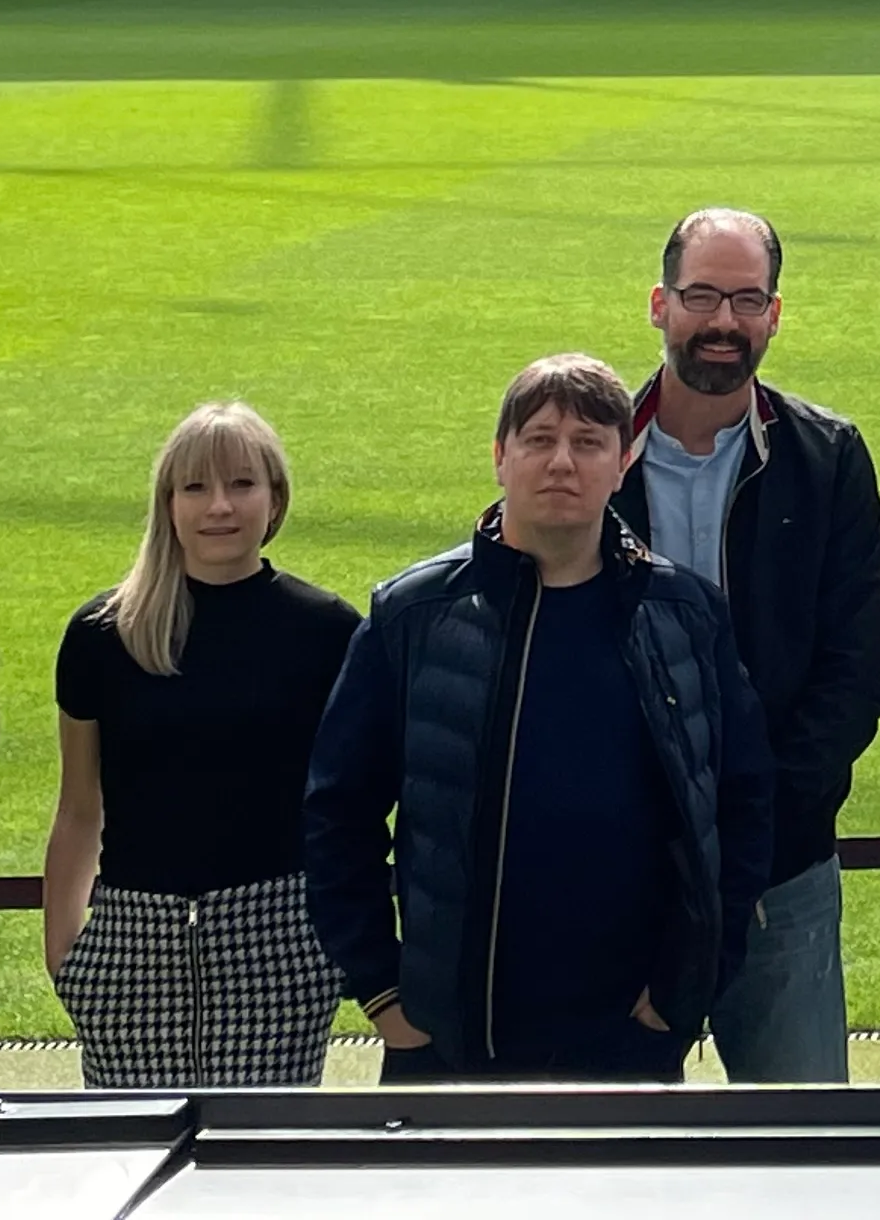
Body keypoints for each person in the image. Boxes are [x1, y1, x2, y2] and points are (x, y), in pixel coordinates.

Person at [301, 355, 772, 1082]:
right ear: (500, 457)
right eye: (539, 439)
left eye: (588, 442)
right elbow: (337, 817)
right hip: (449, 1044)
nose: (562, 462)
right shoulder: (413, 615)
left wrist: (679, 996)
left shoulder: (684, 616)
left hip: (628, 1039)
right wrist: (388, 998)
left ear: (622, 464)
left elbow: (740, 812)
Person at [609, 207, 880, 1085]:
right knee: (608, 1155)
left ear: (775, 314)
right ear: (659, 304)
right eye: (702, 296)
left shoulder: (827, 456)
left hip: (782, 877)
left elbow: (856, 675)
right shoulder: (588, 452)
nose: (723, 322)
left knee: (807, 1156)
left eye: (746, 299)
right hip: (621, 872)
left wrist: (760, 820)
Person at [43, 403, 362, 1086]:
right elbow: (78, 806)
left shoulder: (327, 631)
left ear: (275, 498)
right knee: (131, 1164)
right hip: (131, 945)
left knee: (260, 1169)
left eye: (242, 484)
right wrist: (66, 953)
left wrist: (333, 945)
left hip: (279, 946)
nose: (220, 506)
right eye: (196, 488)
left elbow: (356, 811)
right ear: (168, 503)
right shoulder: (106, 635)